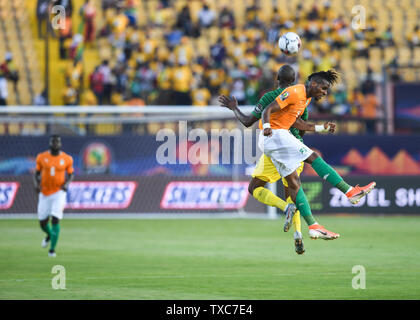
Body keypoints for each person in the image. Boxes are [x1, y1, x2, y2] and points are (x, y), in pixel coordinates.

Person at [219, 65, 335, 254]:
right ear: (295, 79)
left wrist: (234, 108)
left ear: (277, 78)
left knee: (254, 188)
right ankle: (298, 233)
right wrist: (317, 129)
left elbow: (248, 121)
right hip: (293, 148)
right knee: (293, 189)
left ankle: (285, 207)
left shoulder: (269, 97)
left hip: (273, 147)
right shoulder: (301, 97)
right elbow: (302, 127)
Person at [261, 70, 376, 240]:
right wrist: (266, 127)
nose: (325, 93)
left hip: (274, 140)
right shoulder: (294, 92)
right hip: (275, 135)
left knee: (294, 184)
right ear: (313, 84)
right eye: (323, 88)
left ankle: (313, 226)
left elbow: (296, 122)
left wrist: (321, 128)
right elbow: (267, 110)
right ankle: (349, 191)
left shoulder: (305, 98)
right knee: (312, 156)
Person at [34, 135, 74, 257]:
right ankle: (50, 235)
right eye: (53, 142)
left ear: (60, 144)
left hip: (58, 192)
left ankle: (52, 250)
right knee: (42, 222)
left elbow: (71, 174)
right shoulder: (41, 157)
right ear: (50, 143)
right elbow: (36, 173)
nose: (55, 144)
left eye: (58, 142)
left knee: (55, 219)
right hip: (45, 193)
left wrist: (67, 183)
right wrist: (36, 184)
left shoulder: (67, 158)